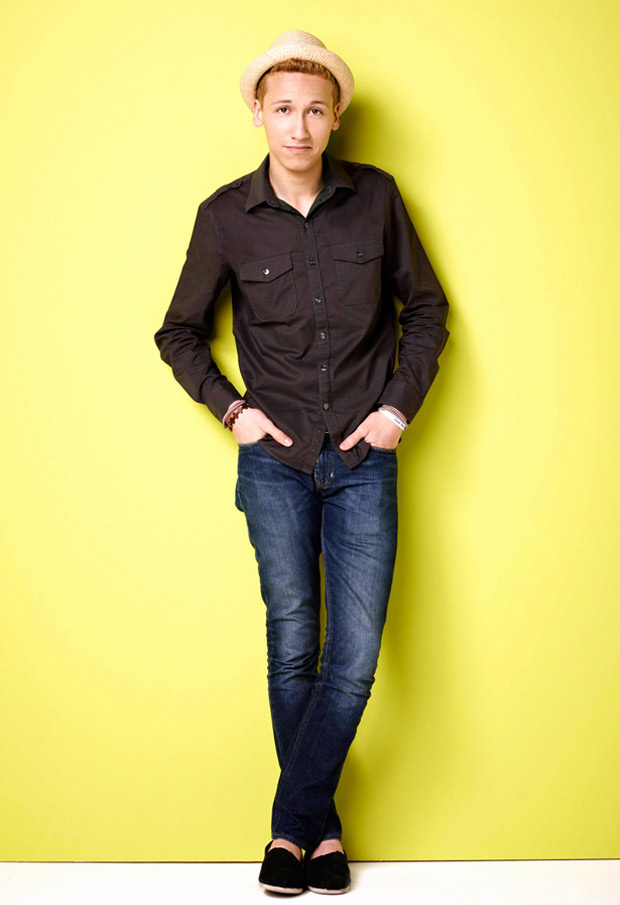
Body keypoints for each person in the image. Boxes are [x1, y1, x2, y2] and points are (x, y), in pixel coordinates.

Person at [154, 30, 449, 895]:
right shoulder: (223, 216)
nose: (298, 126)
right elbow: (178, 331)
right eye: (283, 108)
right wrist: (231, 409)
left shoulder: (377, 198)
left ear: (336, 117)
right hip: (275, 463)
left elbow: (427, 310)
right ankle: (322, 840)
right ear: (258, 112)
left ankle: (289, 828)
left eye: (315, 110)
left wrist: (396, 408)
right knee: (292, 646)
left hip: (363, 456)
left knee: (351, 659)